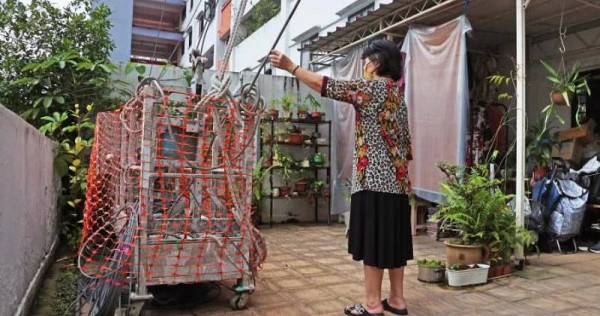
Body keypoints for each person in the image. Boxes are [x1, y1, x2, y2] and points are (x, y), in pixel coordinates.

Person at [269, 39, 413, 316]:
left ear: (377, 63)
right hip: (398, 183)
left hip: (373, 181)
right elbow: (407, 147)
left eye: (366, 62)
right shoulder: (398, 97)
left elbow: (329, 86)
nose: (364, 67)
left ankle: (372, 305)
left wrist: (291, 67)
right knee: (393, 243)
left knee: (373, 243)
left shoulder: (372, 87)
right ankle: (397, 300)